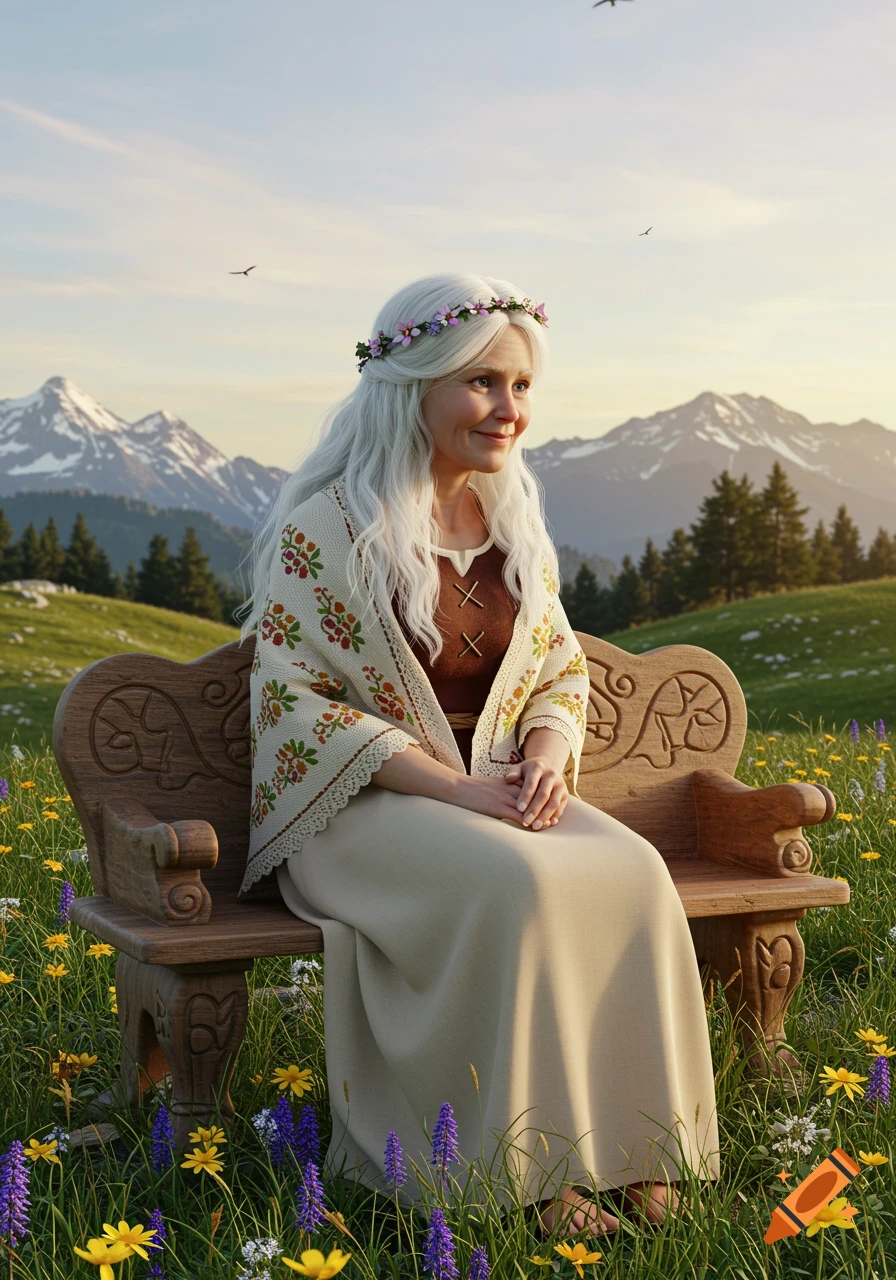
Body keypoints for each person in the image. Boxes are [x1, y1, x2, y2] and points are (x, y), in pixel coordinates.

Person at [238, 271, 721, 1237]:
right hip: (364, 807)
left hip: (494, 790)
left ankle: (638, 1149)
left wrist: (544, 753)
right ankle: (527, 1180)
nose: (510, 410)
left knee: (632, 870)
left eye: (523, 387)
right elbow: (295, 705)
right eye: (483, 383)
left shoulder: (514, 526)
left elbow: (557, 668)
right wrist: (455, 790)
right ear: (412, 383)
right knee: (518, 885)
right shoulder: (325, 532)